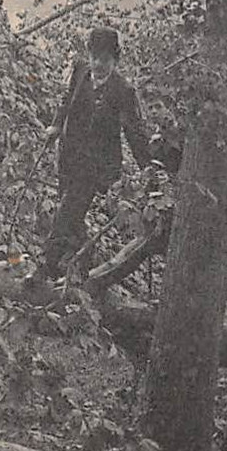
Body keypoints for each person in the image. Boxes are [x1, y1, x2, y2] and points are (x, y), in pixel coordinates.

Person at [41, 26, 154, 280]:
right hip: (69, 155)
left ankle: (45, 268)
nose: (98, 64)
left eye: (104, 59)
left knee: (67, 211)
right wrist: (56, 125)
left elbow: (134, 133)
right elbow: (67, 101)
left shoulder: (123, 90)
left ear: (115, 59)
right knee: (71, 213)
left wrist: (149, 167)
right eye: (94, 57)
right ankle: (80, 268)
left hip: (97, 166)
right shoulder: (81, 72)